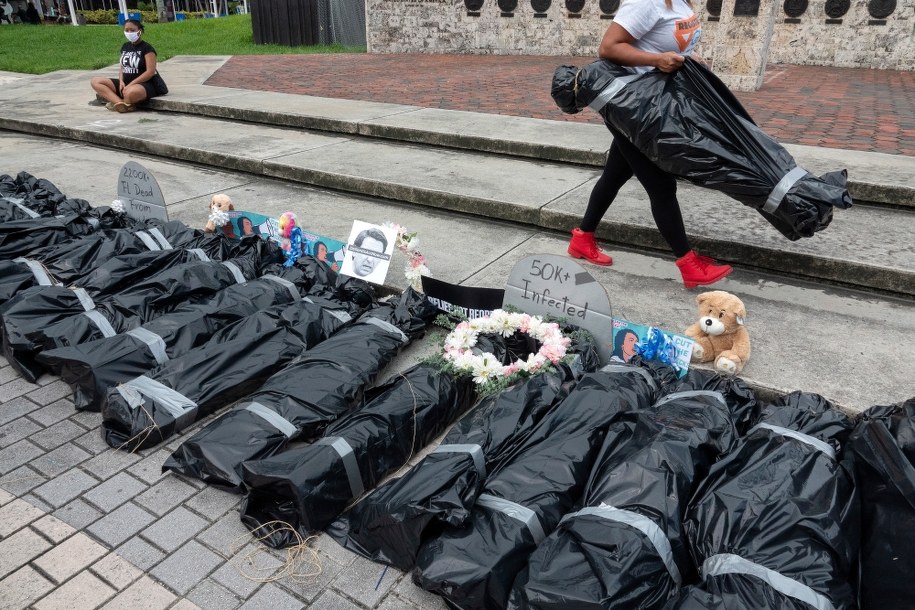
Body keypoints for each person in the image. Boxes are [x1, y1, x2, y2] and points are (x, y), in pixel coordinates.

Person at [566, 0, 732, 289]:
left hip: (653, 104)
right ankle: (688, 264)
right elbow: (609, 48)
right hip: (633, 108)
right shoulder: (647, 2)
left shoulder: (680, 1)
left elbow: (667, 42)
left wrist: (688, 58)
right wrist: (656, 60)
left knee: (616, 173)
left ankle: (582, 238)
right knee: (661, 186)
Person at [89, 18, 168, 113]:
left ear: (140, 31)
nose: (129, 32)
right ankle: (121, 104)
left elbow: (150, 72)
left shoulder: (147, 48)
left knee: (131, 92)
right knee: (96, 81)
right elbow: (123, 67)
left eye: (133, 30)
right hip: (126, 84)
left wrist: (130, 85)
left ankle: (120, 103)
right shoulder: (125, 46)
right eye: (127, 30)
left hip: (145, 84)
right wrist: (121, 81)